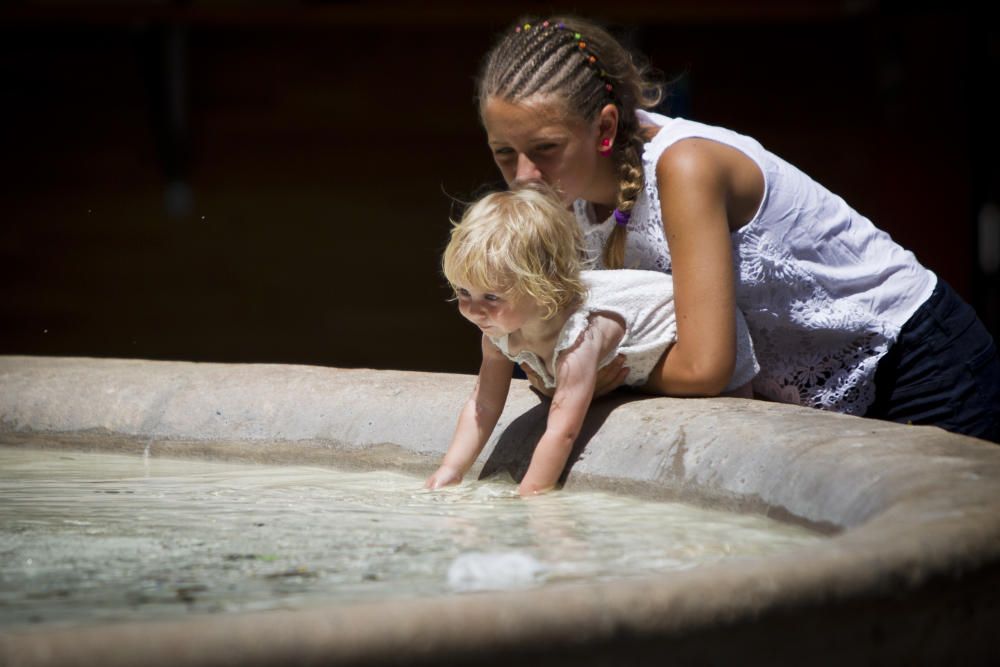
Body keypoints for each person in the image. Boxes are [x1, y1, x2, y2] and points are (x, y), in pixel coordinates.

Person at [473, 15, 1000, 443]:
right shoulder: (560, 199)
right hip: (816, 397)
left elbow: (705, 367)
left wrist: (596, 373)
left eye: (545, 149)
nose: (523, 175)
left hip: (919, 365)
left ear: (606, 127)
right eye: (504, 153)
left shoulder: (685, 170)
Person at [425, 184, 758, 496]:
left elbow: (562, 429)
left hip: (693, 333)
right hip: (632, 359)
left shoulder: (578, 335)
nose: (474, 310)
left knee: (732, 443)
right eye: (463, 292)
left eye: (492, 298)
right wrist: (451, 470)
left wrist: (530, 494)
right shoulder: (498, 332)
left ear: (542, 289)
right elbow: (482, 404)